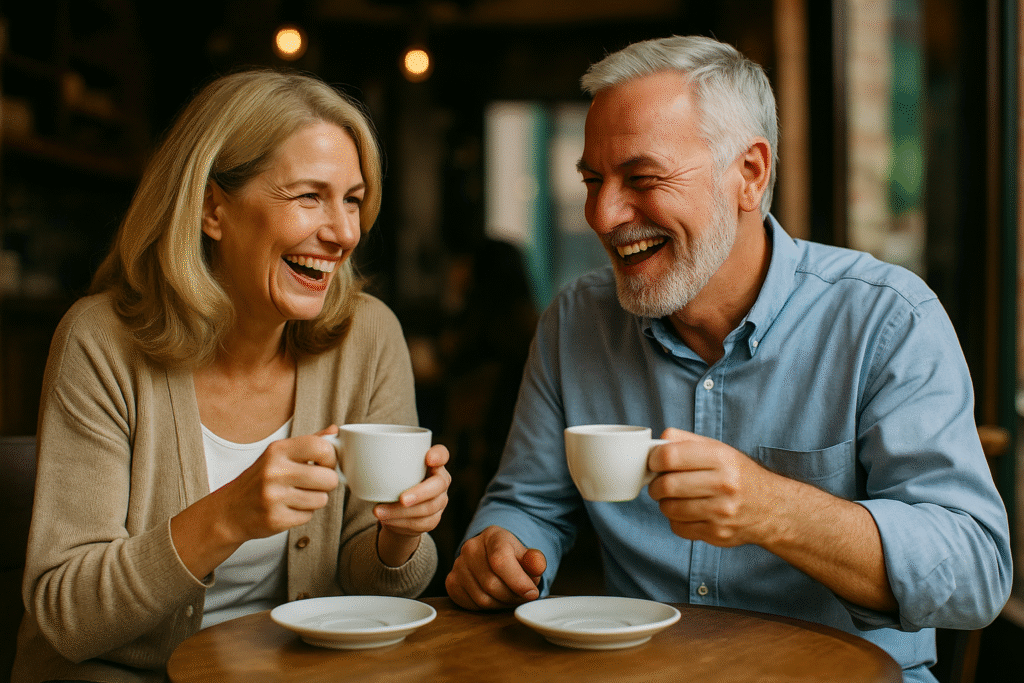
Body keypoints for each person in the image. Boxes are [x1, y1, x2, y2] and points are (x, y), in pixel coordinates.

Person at [445, 35, 1011, 682]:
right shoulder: (575, 320)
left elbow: (976, 574)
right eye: (593, 180)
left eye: (643, 178)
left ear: (749, 174)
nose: (603, 214)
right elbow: (527, 504)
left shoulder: (888, 319)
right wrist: (500, 548)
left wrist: (776, 509)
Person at [13, 68, 450, 683]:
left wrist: (398, 539)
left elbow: (367, 583)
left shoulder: (367, 335)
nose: (344, 233)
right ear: (212, 208)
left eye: (352, 200)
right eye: (308, 196)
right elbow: (68, 615)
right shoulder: (102, 342)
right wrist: (226, 517)